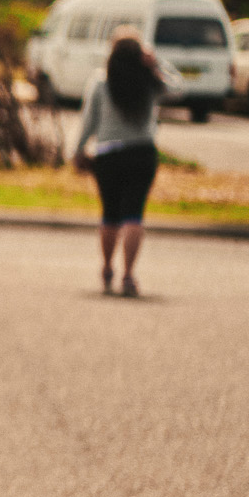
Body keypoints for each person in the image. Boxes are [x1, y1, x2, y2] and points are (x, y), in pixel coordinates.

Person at [73, 26, 174, 297]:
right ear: (141, 54)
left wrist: (78, 150)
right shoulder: (148, 81)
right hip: (142, 153)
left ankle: (107, 267)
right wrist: (157, 64)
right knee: (133, 214)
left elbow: (88, 121)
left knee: (110, 215)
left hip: (108, 155)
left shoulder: (100, 82)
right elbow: (178, 89)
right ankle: (128, 274)